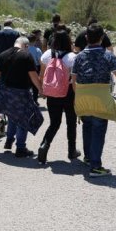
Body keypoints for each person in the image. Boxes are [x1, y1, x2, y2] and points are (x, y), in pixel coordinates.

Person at [72, 24, 116, 177]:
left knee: (87, 127)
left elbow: (73, 79)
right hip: (100, 97)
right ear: (102, 38)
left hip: (82, 96)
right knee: (98, 130)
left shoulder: (78, 56)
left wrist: (78, 95)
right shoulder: (108, 55)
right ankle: (95, 166)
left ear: (86, 38)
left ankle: (88, 157)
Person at [0, 37, 44, 158]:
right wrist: (40, 89)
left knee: (12, 116)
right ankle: (20, 148)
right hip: (21, 92)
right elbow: (33, 76)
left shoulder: (3, 54)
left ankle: (9, 140)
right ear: (26, 46)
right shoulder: (26, 55)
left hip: (5, 91)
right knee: (23, 119)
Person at [37, 30, 80, 163]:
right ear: (68, 41)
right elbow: (75, 80)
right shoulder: (73, 57)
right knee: (71, 123)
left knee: (54, 123)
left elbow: (41, 76)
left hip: (52, 94)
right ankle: (71, 151)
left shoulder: (46, 55)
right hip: (68, 93)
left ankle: (44, 145)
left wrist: (42, 91)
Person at [27, 33, 43, 103]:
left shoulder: (24, 49)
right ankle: (35, 100)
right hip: (35, 67)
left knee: (26, 85)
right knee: (35, 85)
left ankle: (27, 100)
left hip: (25, 68)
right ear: (35, 40)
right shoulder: (37, 50)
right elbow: (40, 61)